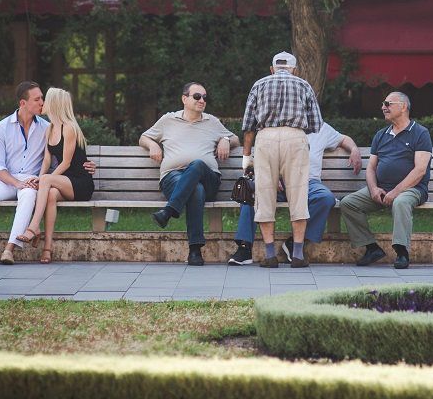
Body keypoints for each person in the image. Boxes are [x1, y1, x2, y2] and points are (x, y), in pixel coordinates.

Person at [0, 81, 95, 265]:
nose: (41, 102)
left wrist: (87, 164)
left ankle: (9, 249)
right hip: (9, 179)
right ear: (23, 103)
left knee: (29, 196)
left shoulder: (46, 126)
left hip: (34, 181)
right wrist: (16, 182)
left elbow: (63, 159)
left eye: (43, 99)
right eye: (37, 99)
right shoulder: (1, 128)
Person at [228, 121, 362, 265]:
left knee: (325, 198)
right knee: (252, 193)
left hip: (309, 182)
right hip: (277, 183)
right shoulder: (276, 125)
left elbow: (343, 139)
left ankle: (295, 244)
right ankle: (245, 247)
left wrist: (354, 149)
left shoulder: (319, 127)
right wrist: (274, 176)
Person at [140, 82, 239, 266]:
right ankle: (195, 251)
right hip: (173, 178)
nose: (202, 100)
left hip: (209, 179)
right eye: (197, 96)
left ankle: (169, 211)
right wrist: (153, 144)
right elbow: (143, 137)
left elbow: (235, 139)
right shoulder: (168, 120)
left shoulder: (212, 122)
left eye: (204, 97)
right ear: (184, 99)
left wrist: (225, 139)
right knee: (196, 189)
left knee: (198, 165)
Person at [241, 51, 322, 268]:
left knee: (265, 195)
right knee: (298, 195)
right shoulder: (304, 85)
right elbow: (316, 124)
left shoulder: (259, 84)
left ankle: (269, 255)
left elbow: (248, 124)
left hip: (265, 138)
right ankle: (297, 254)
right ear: (294, 69)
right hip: (295, 138)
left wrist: (246, 156)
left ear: (272, 68)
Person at [340, 92, 432, 270]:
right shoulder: (381, 135)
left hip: (411, 189)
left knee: (400, 203)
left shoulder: (420, 133)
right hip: (382, 189)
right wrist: (374, 189)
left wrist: (396, 191)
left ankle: (402, 252)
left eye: (388, 103)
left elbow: (420, 170)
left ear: (403, 106)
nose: (383, 107)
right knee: (348, 203)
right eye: (383, 104)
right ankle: (371, 248)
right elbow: (371, 168)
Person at [15, 87, 94, 264]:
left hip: (80, 182)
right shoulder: (50, 129)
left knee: (47, 181)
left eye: (46, 99)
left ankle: (34, 226)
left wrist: (45, 178)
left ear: (55, 104)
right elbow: (46, 161)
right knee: (50, 194)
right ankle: (47, 248)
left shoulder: (70, 128)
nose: (43, 103)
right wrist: (40, 177)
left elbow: (66, 163)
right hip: (64, 181)